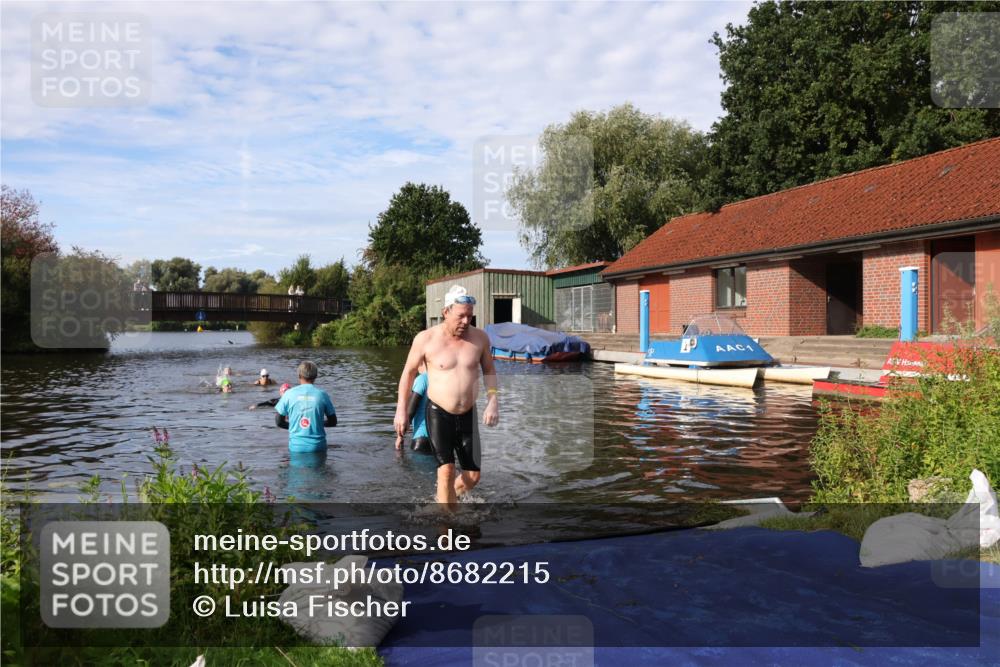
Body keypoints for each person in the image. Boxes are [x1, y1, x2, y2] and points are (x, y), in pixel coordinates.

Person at [395, 285, 499, 507]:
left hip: (468, 415)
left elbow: (489, 370)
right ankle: (447, 528)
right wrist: (401, 411)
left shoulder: (479, 338)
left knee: (473, 476)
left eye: (470, 316)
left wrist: (493, 402)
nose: (466, 321)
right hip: (438, 413)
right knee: (446, 471)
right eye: (461, 316)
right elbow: (408, 374)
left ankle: (444, 500)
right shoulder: (426, 339)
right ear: (445, 312)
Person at [274, 361, 337, 453]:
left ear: (299, 375)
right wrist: (316, 424)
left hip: (296, 447)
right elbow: (333, 422)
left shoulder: (288, 394)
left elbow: (279, 422)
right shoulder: (322, 395)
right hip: (318, 447)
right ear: (315, 376)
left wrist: (296, 427)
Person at [395, 364, 432, 454]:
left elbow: (411, 411)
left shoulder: (422, 379)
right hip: (441, 439)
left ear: (422, 363)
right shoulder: (443, 379)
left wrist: (400, 436)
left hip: (422, 438)